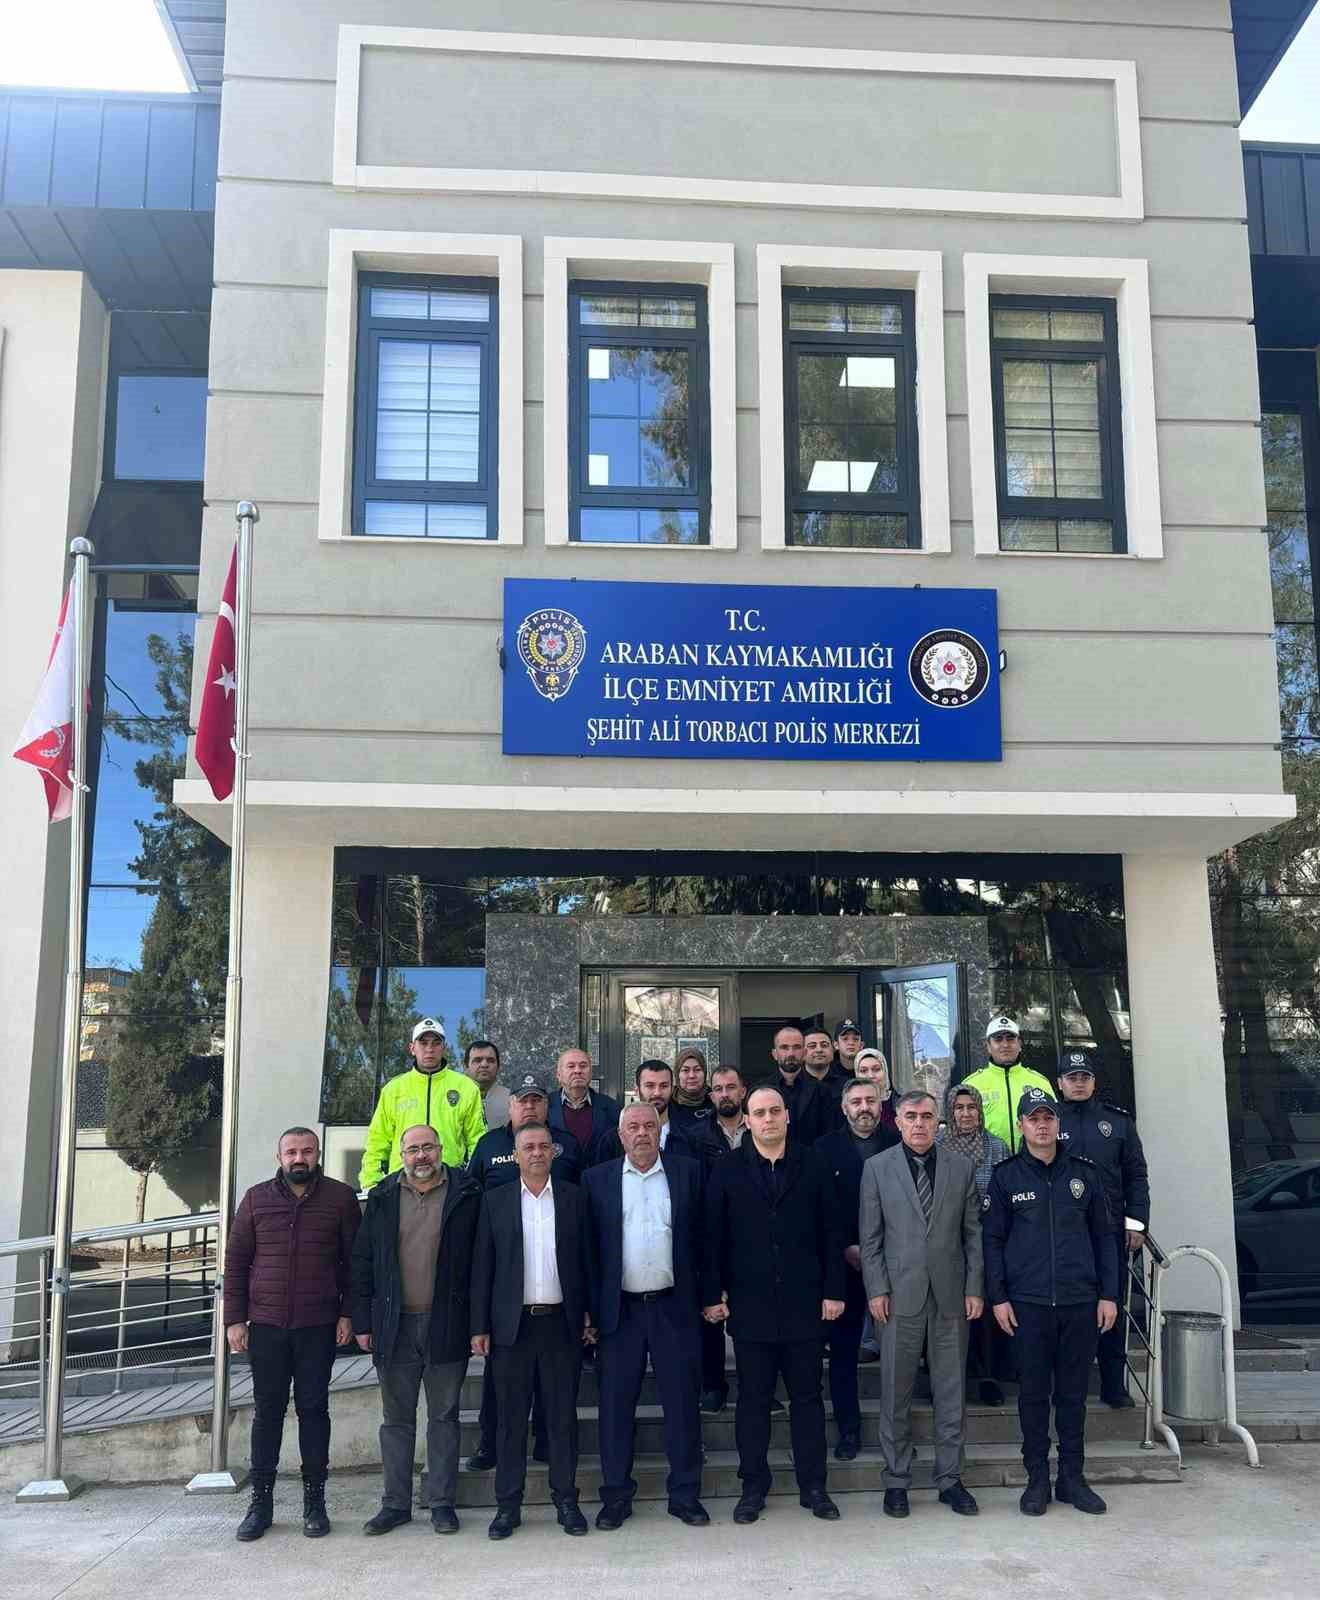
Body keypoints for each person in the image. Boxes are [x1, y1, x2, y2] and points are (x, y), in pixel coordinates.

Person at [703, 1085, 845, 1525]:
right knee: (752, 1401)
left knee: (807, 1399)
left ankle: (814, 1487)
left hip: (806, 1305)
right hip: (751, 1307)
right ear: (746, 1120)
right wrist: (713, 1294)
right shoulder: (726, 1169)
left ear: (787, 1116)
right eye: (759, 1113)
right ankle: (753, 1488)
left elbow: (832, 1232)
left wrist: (834, 1291)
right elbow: (712, 1238)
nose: (767, 1119)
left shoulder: (814, 1162)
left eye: (774, 1111)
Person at [983, 1087, 1119, 1517]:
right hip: (1028, 1305)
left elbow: (1104, 1238)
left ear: (1057, 1124)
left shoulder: (1086, 1174)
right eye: (1033, 1118)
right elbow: (992, 1241)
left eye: (1048, 1117)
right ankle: (1037, 1479)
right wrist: (998, 1297)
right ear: (1021, 1126)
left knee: (1074, 1396)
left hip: (1081, 1302)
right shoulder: (1006, 1177)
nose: (1042, 1125)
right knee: (1033, 1396)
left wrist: (1110, 1295)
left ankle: (1072, 1480)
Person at [224, 1126, 361, 1542]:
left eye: (306, 1151)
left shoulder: (340, 1198)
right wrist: (234, 1319)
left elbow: (354, 1265)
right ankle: (260, 1504)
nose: (298, 1158)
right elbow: (237, 1261)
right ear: (279, 1155)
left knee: (314, 1412)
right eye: (291, 1152)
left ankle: (314, 1503)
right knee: (267, 1413)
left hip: (318, 1325)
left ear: (317, 1153)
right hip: (265, 1326)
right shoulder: (255, 1198)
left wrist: (348, 1315)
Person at [583, 1103, 709, 1530]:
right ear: (620, 1136)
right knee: (615, 1409)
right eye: (632, 1127)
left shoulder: (688, 1172)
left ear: (661, 1131)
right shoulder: (596, 1180)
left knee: (681, 1406)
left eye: (649, 1126)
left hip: (675, 1307)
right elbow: (588, 1254)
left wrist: (710, 1295)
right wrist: (589, 1312)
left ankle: (685, 1495)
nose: (641, 1133)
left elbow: (703, 1240)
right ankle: (616, 1497)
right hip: (620, 1313)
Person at [859, 1091, 984, 1518]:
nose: (919, 1124)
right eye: (911, 1116)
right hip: (898, 1298)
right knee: (896, 1392)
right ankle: (896, 1480)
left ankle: (951, 1479)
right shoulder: (877, 1169)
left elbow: (973, 1236)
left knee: (952, 1392)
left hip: (950, 1295)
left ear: (939, 1122)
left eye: (927, 1117)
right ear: (896, 1121)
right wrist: (876, 1290)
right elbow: (871, 1240)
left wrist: (974, 1288)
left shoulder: (961, 1168)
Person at [352, 1125, 480, 1536]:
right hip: (395, 1324)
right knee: (397, 1419)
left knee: (444, 1415)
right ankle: (395, 1504)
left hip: (447, 1321)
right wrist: (363, 1321)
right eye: (412, 1149)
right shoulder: (383, 1197)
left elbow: (481, 1261)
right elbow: (363, 1261)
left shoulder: (467, 1192)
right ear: (401, 1154)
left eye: (428, 1147)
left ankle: (442, 1502)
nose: (421, 1156)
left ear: (441, 1149)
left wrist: (477, 1322)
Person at [471, 1122, 593, 1539]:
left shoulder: (576, 1199)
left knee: (561, 1419)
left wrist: (589, 1315)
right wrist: (479, 1327)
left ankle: (566, 1501)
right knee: (510, 1421)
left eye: (544, 1146)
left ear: (554, 1152)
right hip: (511, 1327)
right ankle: (508, 1505)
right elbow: (481, 1269)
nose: (537, 1152)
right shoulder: (495, 1201)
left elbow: (588, 1264)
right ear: (516, 1154)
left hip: (561, 1325)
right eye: (529, 1147)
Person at [464, 1072, 576, 1473]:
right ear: (510, 1107)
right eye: (521, 1100)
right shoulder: (488, 1144)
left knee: (556, 1397)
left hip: (556, 1300)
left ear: (547, 1108)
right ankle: (490, 1447)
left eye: (536, 1100)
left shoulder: (568, 1146)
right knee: (502, 1393)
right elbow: (470, 1196)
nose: (529, 1106)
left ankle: (548, 1447)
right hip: (508, 1297)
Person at [1055, 1048, 1151, 1408]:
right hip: (1063, 1232)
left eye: (1084, 1078)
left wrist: (1138, 1223)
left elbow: (1136, 1177)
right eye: (1071, 1078)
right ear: (1059, 1083)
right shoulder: (1048, 1119)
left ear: (1093, 1082)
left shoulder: (1118, 1122)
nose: (1078, 1084)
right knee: (1062, 1312)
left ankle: (1114, 1385)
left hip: (1110, 1232)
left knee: (1113, 1307)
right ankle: (1061, 1388)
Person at [813, 1079, 899, 1459]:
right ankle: (849, 1430)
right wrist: (847, 1247)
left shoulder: (899, 1143)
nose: (864, 1107)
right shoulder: (824, 1149)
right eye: (856, 1101)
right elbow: (821, 1210)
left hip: (896, 1263)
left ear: (882, 1103)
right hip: (844, 1265)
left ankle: (897, 1432)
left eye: (870, 1100)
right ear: (844, 1107)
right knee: (844, 1355)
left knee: (898, 1352)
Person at [938, 1083, 1011, 1406]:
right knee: (948, 1311)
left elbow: (1006, 1191)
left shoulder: (996, 1147)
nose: (965, 1114)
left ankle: (987, 1377)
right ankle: (950, 1378)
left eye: (971, 1108)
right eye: (959, 1107)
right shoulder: (938, 1145)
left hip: (986, 1239)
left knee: (982, 1310)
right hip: (945, 1241)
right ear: (950, 1111)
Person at [359, 1018, 486, 1190]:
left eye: (435, 1043)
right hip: (402, 1184)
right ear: (412, 1048)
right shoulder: (393, 1089)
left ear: (444, 1048)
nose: (429, 1049)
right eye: (423, 1043)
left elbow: (477, 1140)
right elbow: (377, 1140)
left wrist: (470, 1182)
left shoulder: (466, 1087)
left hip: (450, 1184)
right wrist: (371, 1182)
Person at [689, 1064, 749, 1412]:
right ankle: (712, 1385)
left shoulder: (759, 1128)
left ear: (743, 1091)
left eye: (731, 1087)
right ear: (711, 1096)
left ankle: (755, 1384)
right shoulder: (696, 1136)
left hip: (750, 1234)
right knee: (709, 1312)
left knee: (749, 1316)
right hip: (711, 1232)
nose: (725, 1094)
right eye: (718, 1089)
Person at [958, 1016, 1054, 1154]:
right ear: (988, 1046)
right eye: (998, 1039)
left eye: (1010, 1039)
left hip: (1033, 1163)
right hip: (988, 1164)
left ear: (1019, 1044)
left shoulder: (1040, 1082)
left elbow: (1056, 1124)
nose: (1005, 1044)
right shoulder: (971, 1084)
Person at [595, 1060, 694, 1163]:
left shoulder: (690, 1138)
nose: (657, 1093)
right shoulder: (613, 1141)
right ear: (637, 1090)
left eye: (664, 1086)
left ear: (672, 1090)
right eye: (650, 1086)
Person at [547, 1046, 620, 1167]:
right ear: (558, 1075)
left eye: (583, 1066)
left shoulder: (611, 1107)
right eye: (571, 1066)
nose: (577, 1071)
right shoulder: (545, 1106)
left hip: (599, 1181)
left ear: (591, 1073)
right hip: (559, 1182)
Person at [769, 1023, 829, 1146]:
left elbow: (829, 1134)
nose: (791, 1053)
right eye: (784, 1047)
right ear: (774, 1054)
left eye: (796, 1047)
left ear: (804, 1052)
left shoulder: (822, 1090)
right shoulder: (762, 1090)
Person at [802, 1026, 848, 1133]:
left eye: (824, 1045)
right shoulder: (793, 1085)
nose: (819, 1049)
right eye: (812, 1046)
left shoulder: (847, 1085)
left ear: (832, 1049)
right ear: (802, 1052)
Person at [669, 1046, 716, 1136]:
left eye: (697, 1070)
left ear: (704, 1072)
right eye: (685, 1070)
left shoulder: (714, 1099)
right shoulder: (668, 1102)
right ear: (677, 1074)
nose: (691, 1075)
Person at [465, 1038, 510, 1131]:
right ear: (466, 1067)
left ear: (498, 1066)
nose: (484, 1064)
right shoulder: (457, 1098)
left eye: (490, 1060)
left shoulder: (512, 1099)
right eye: (477, 1060)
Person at [854, 1046, 898, 1132]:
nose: (870, 1076)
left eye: (876, 1069)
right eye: (863, 1071)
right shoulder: (849, 1106)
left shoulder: (899, 1104)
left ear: (885, 1072)